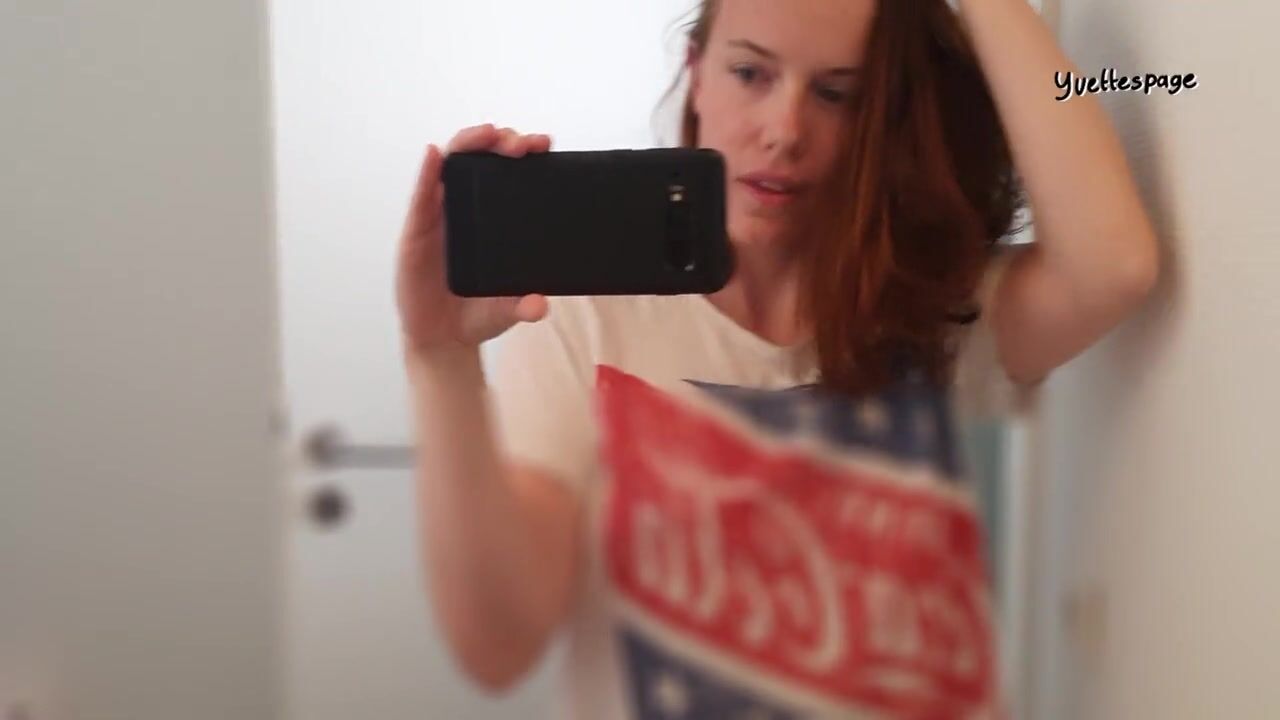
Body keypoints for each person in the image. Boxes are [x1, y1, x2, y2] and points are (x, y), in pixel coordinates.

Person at [395, 0, 1159, 717]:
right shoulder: (581, 314)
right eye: (750, 73)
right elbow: (499, 644)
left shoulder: (933, 307)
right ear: (697, 72)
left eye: (837, 93)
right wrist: (439, 360)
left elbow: (1114, 265)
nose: (785, 129)